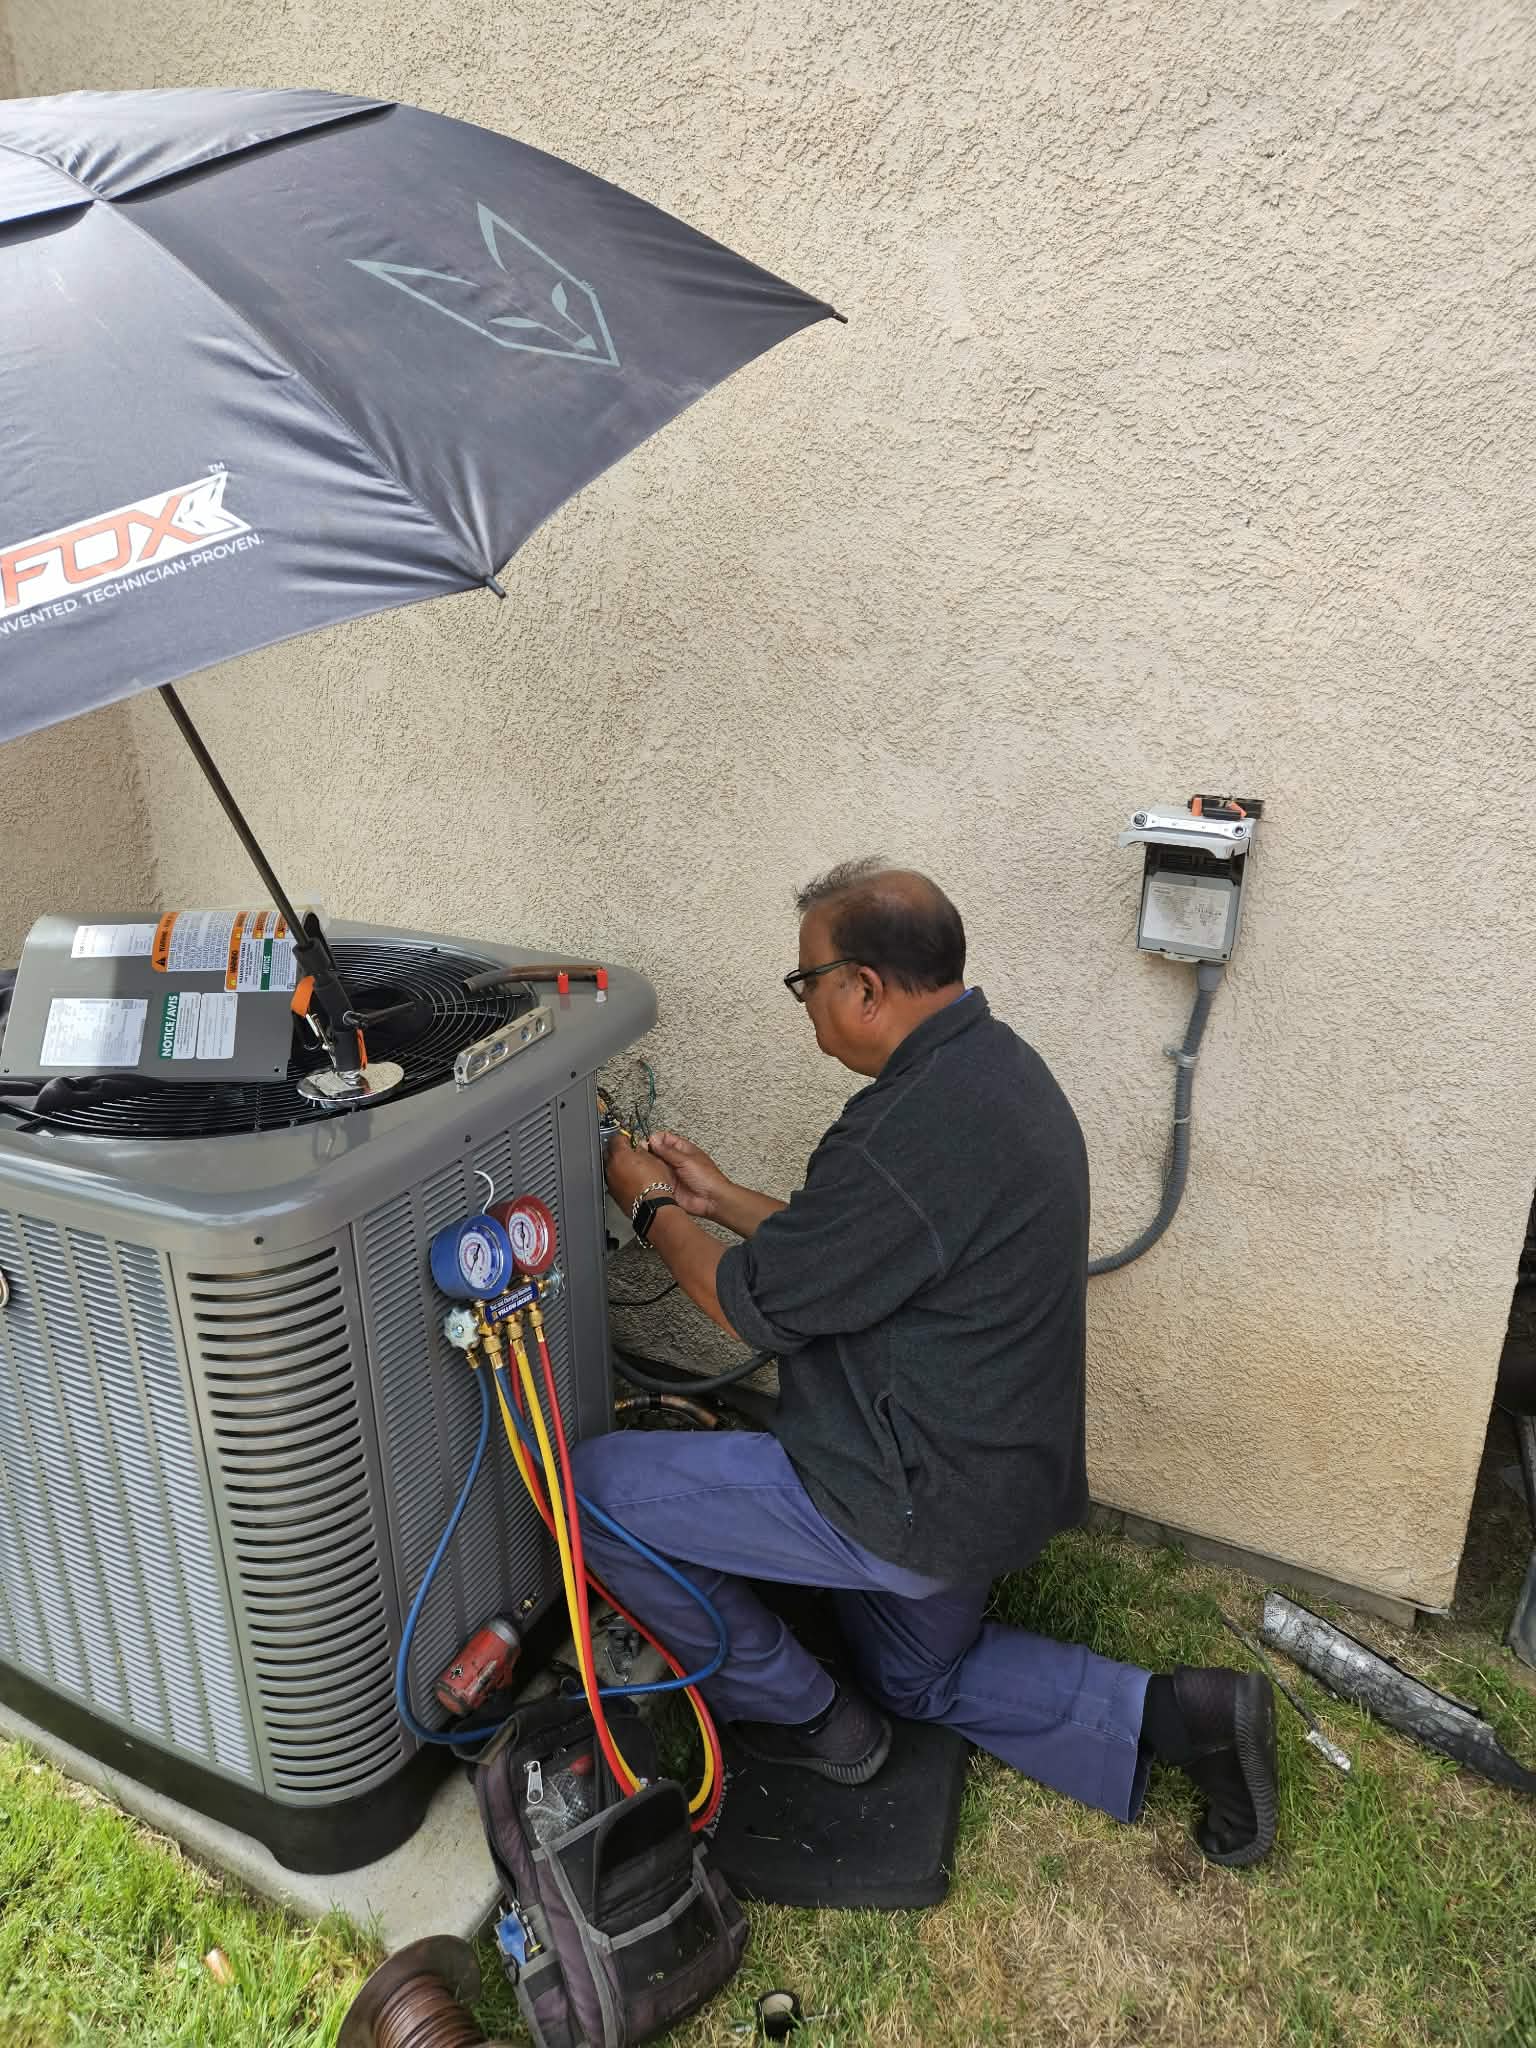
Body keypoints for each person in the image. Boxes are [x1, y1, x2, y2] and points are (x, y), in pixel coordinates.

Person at [582, 859, 1278, 1866]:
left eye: (805, 981)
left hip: (903, 1496)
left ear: (862, 986)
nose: (805, 1004)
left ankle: (810, 1717)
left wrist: (638, 1194)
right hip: (992, 1492)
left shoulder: (900, 1131)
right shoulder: (997, 1072)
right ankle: (1183, 1713)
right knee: (917, 1679)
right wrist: (722, 1197)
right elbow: (869, 1247)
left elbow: (752, 1304)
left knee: (593, 1490)